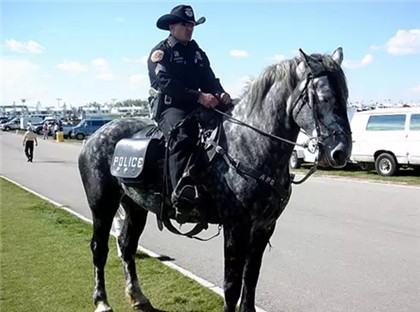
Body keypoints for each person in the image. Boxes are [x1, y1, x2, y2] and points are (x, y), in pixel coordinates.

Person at [147, 4, 231, 220]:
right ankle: (180, 195)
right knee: (184, 135)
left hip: (197, 106)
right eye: (185, 25)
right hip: (170, 107)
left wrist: (219, 93)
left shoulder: (196, 52)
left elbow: (209, 78)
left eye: (192, 25)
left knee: (228, 127)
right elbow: (165, 83)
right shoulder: (161, 52)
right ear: (172, 26)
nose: (190, 28)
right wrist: (199, 96)